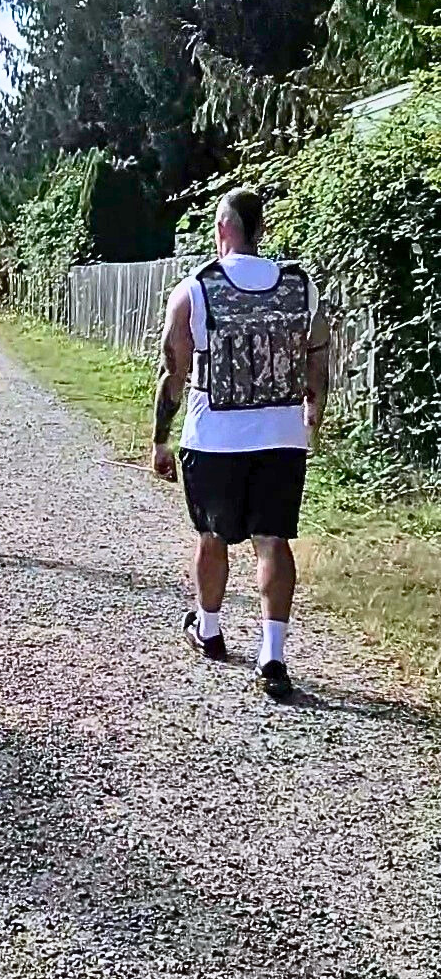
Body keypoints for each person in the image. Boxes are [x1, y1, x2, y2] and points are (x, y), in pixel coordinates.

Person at [152, 188, 330, 700]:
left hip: (215, 438)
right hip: (282, 437)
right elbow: (318, 355)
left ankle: (209, 630)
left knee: (212, 536)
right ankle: (272, 655)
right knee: (273, 540)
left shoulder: (194, 290)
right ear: (260, 229)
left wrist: (160, 439)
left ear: (224, 229)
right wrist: (312, 412)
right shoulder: (301, 286)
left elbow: (174, 373)